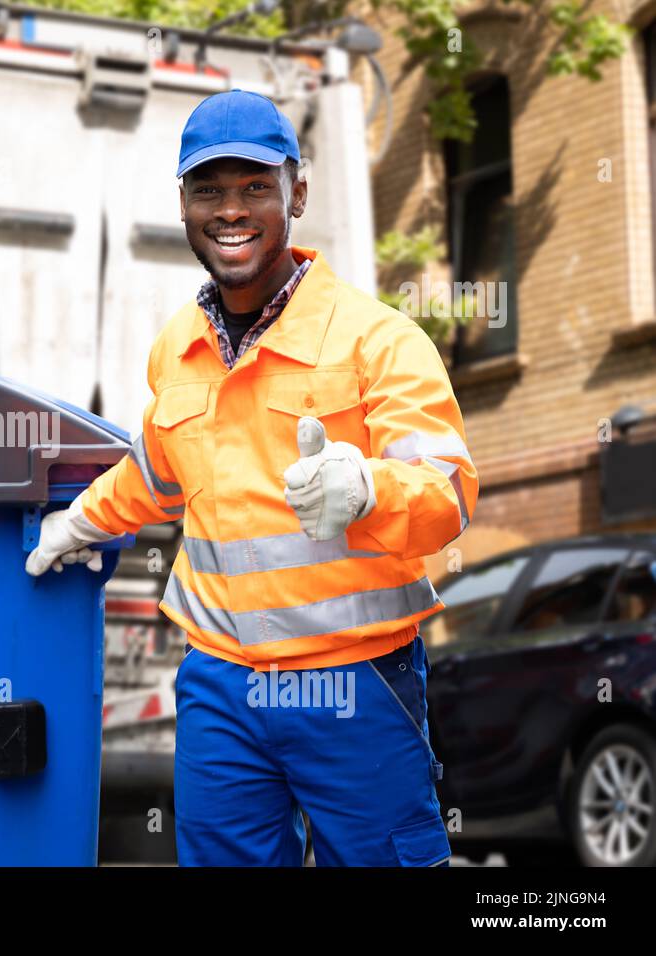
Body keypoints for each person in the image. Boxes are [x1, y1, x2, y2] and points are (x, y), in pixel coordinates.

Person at [25, 90, 478, 867]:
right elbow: (161, 469)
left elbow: (447, 494)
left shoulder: (378, 339)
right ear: (183, 204)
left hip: (355, 681)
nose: (230, 210)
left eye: (254, 188)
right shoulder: (180, 347)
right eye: (210, 190)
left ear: (296, 193)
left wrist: (369, 489)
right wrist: (83, 521)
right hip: (222, 687)